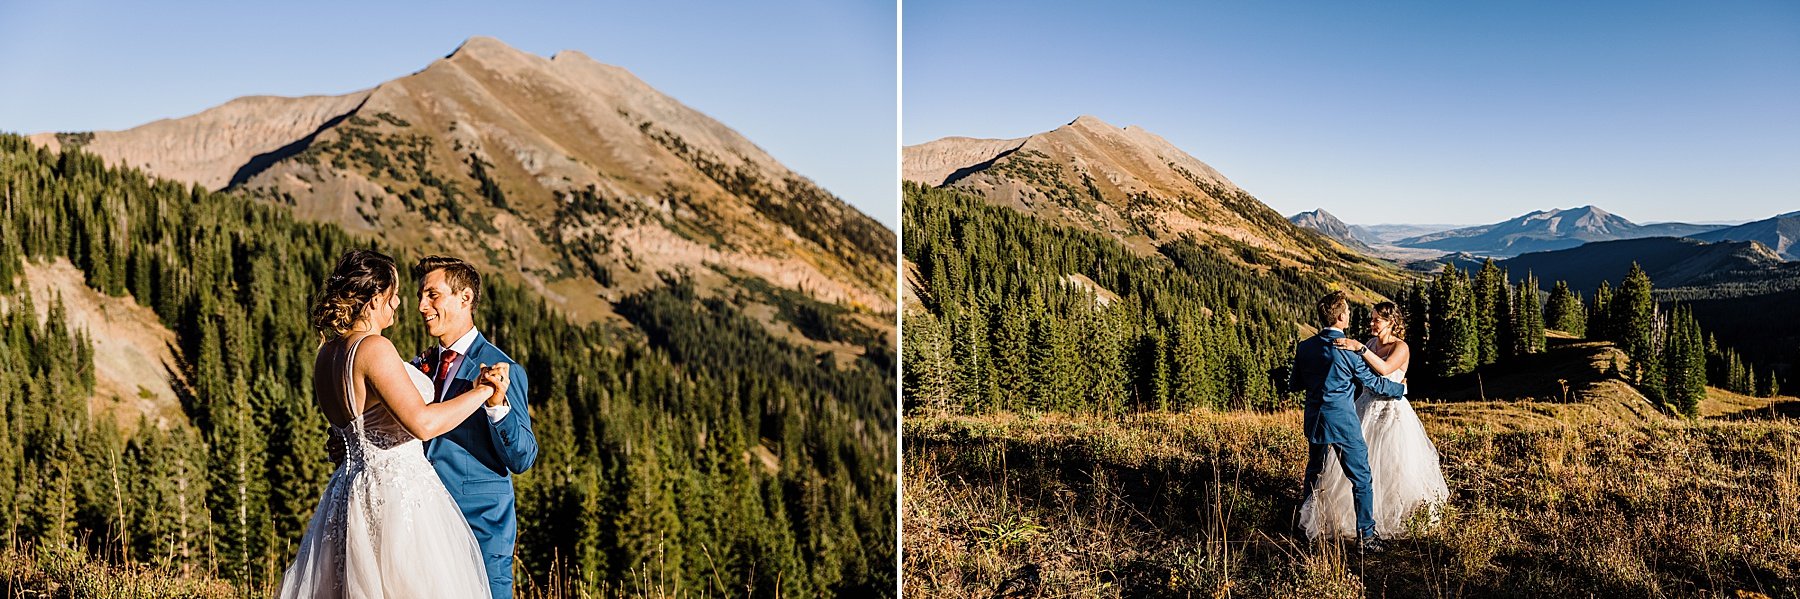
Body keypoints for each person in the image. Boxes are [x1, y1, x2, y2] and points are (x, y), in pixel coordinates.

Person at [280, 249, 510, 598]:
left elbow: (348, 428)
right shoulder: (374, 348)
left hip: (348, 492)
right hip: (395, 496)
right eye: (394, 294)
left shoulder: (327, 354)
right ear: (374, 299)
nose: (402, 302)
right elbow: (423, 424)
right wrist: (482, 392)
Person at [410, 255, 539, 599]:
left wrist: (497, 406)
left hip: (479, 529)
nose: (422, 306)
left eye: (432, 295)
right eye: (421, 296)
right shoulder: (416, 367)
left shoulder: (506, 369)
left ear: (464, 298)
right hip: (422, 529)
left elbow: (523, 457)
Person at [1302, 301, 1450, 540]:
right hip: (1365, 407)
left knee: (1392, 463)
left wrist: (1359, 349)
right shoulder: (1371, 343)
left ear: (1391, 322)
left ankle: (1387, 514)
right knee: (1362, 463)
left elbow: (1383, 369)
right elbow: (1362, 375)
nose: (1371, 323)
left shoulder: (1400, 347)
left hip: (1392, 412)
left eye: (1376, 320)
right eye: (1371, 319)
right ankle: (1364, 521)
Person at [1289, 291, 1407, 553]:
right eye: (1349, 313)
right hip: (1342, 422)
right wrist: (1401, 391)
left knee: (1315, 470)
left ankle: (1306, 521)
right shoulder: (1347, 348)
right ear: (1341, 317)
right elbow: (1375, 382)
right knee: (1361, 478)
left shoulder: (1305, 346)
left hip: (1315, 419)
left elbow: (1295, 383)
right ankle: (1366, 536)